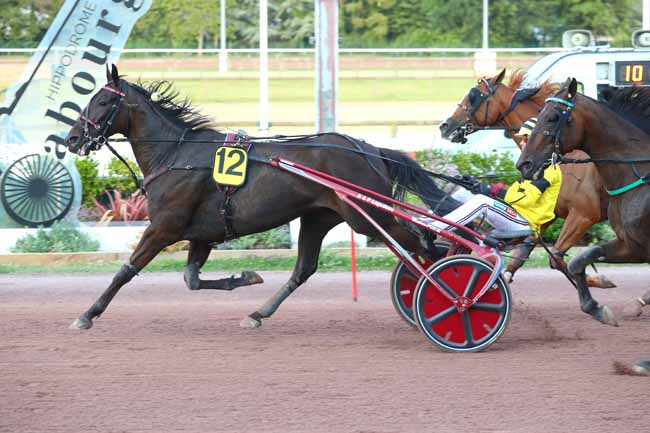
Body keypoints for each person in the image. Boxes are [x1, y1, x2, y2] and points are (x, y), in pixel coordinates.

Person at [433, 118, 562, 239]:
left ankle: (434, 229)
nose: (521, 143)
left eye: (525, 139)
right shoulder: (534, 165)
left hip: (525, 222)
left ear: (538, 142)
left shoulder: (549, 170)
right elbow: (514, 194)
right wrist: (477, 185)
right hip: (514, 213)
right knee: (463, 194)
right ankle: (427, 220)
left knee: (482, 201)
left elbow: (525, 200)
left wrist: (491, 191)